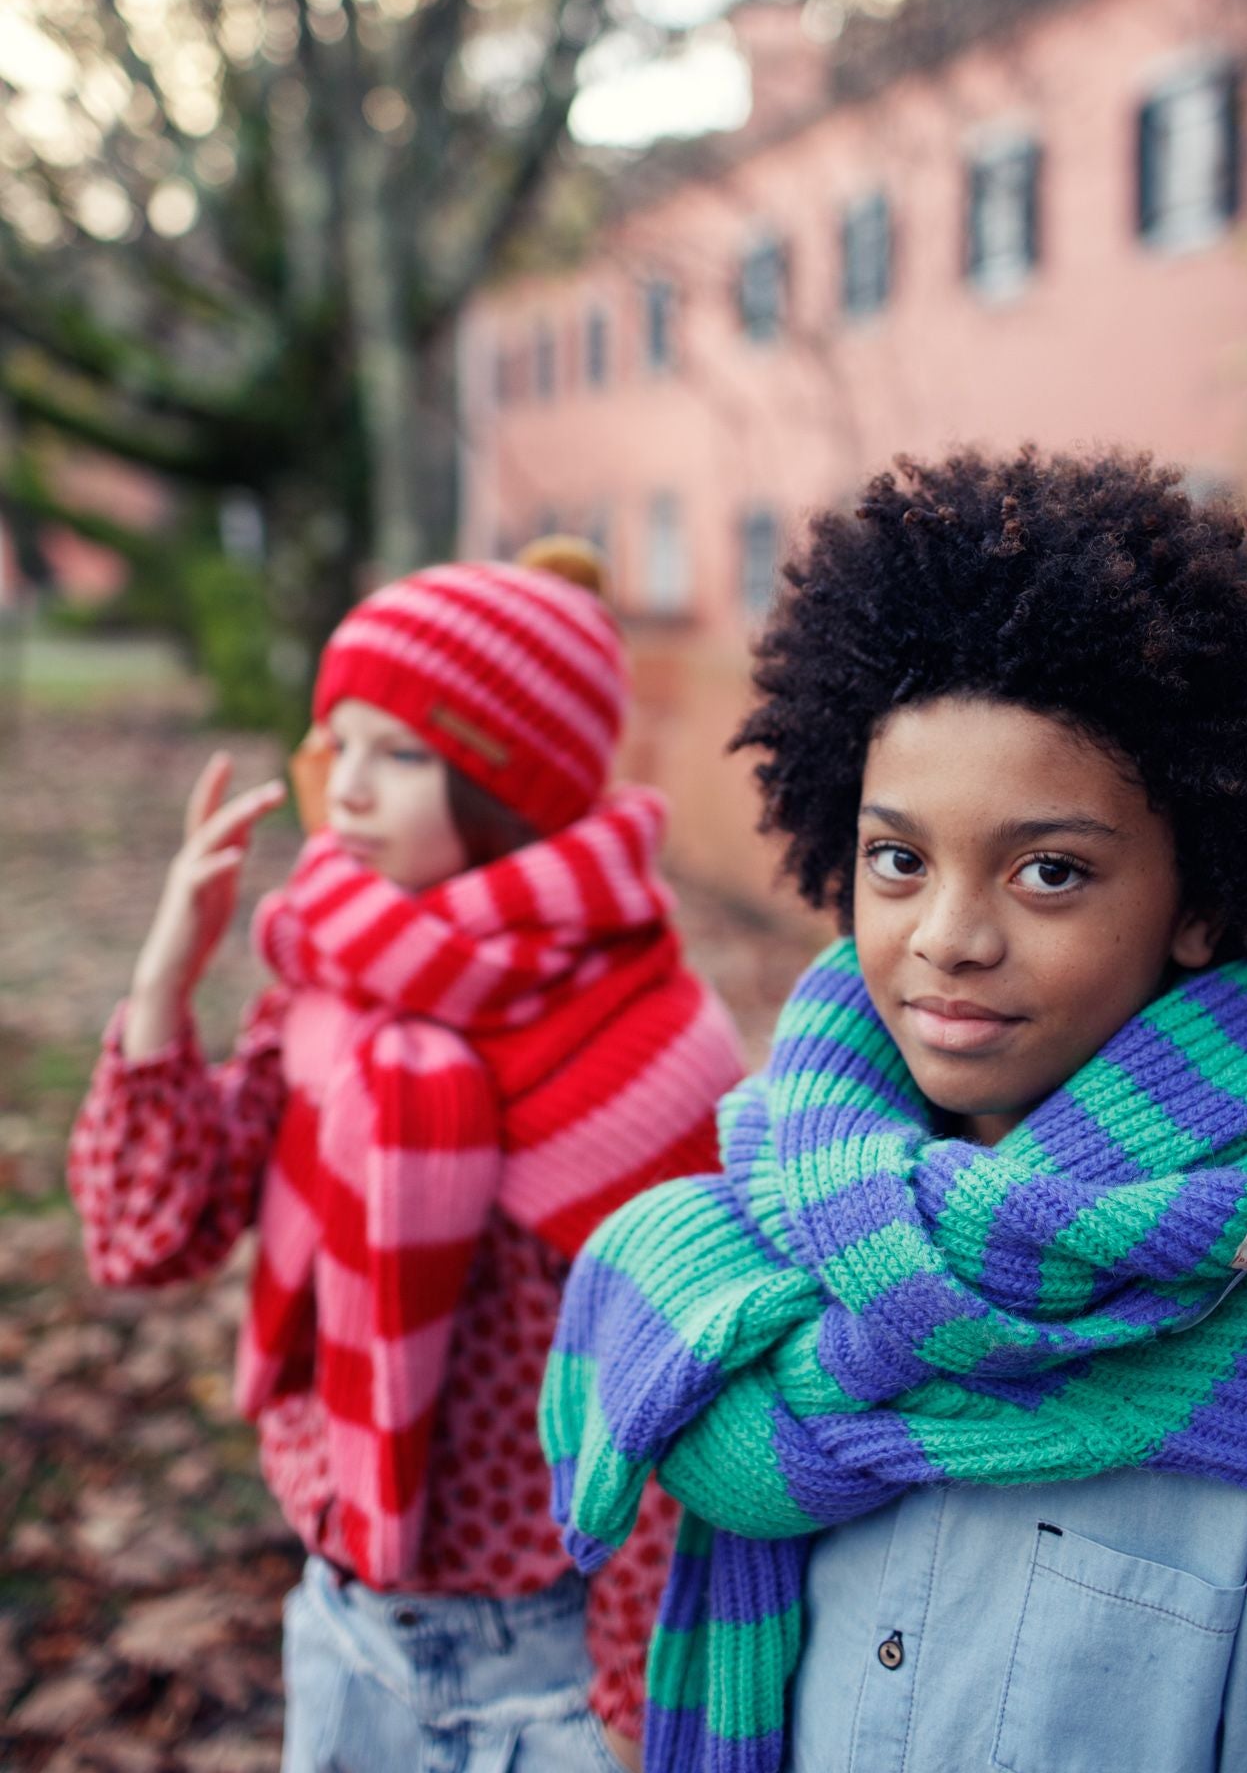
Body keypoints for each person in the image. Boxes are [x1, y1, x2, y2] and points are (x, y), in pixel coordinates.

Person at [541, 450, 1247, 1773]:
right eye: (898, 860)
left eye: (1048, 871)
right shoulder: (743, 1276)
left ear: (1203, 896)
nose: (948, 938)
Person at [69, 542, 745, 1773]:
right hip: (339, 1624)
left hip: (550, 1658)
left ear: (510, 781)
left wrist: (637, 1693)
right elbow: (151, 1230)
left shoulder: (651, 1049)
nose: (352, 792)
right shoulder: (325, 978)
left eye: (405, 753)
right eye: (342, 744)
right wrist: (165, 984)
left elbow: (678, 1395)